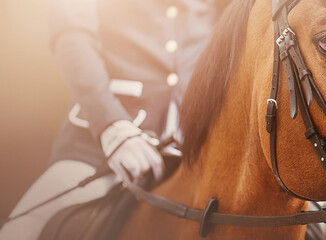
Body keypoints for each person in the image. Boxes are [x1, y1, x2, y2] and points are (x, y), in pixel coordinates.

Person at [0, 0, 222, 239]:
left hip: (190, 153)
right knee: (20, 230)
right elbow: (72, 36)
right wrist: (112, 126)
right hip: (99, 148)